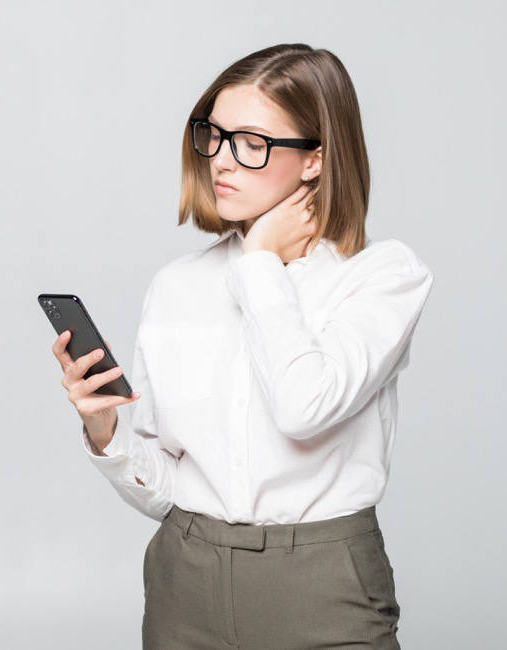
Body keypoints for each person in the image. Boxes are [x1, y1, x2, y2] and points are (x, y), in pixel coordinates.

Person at [51, 43, 433, 650]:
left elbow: (304, 407)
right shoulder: (178, 286)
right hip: (186, 580)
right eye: (214, 135)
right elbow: (171, 486)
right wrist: (105, 433)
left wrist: (259, 263)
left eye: (252, 143)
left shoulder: (382, 276)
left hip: (323, 586)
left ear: (315, 160)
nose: (221, 162)